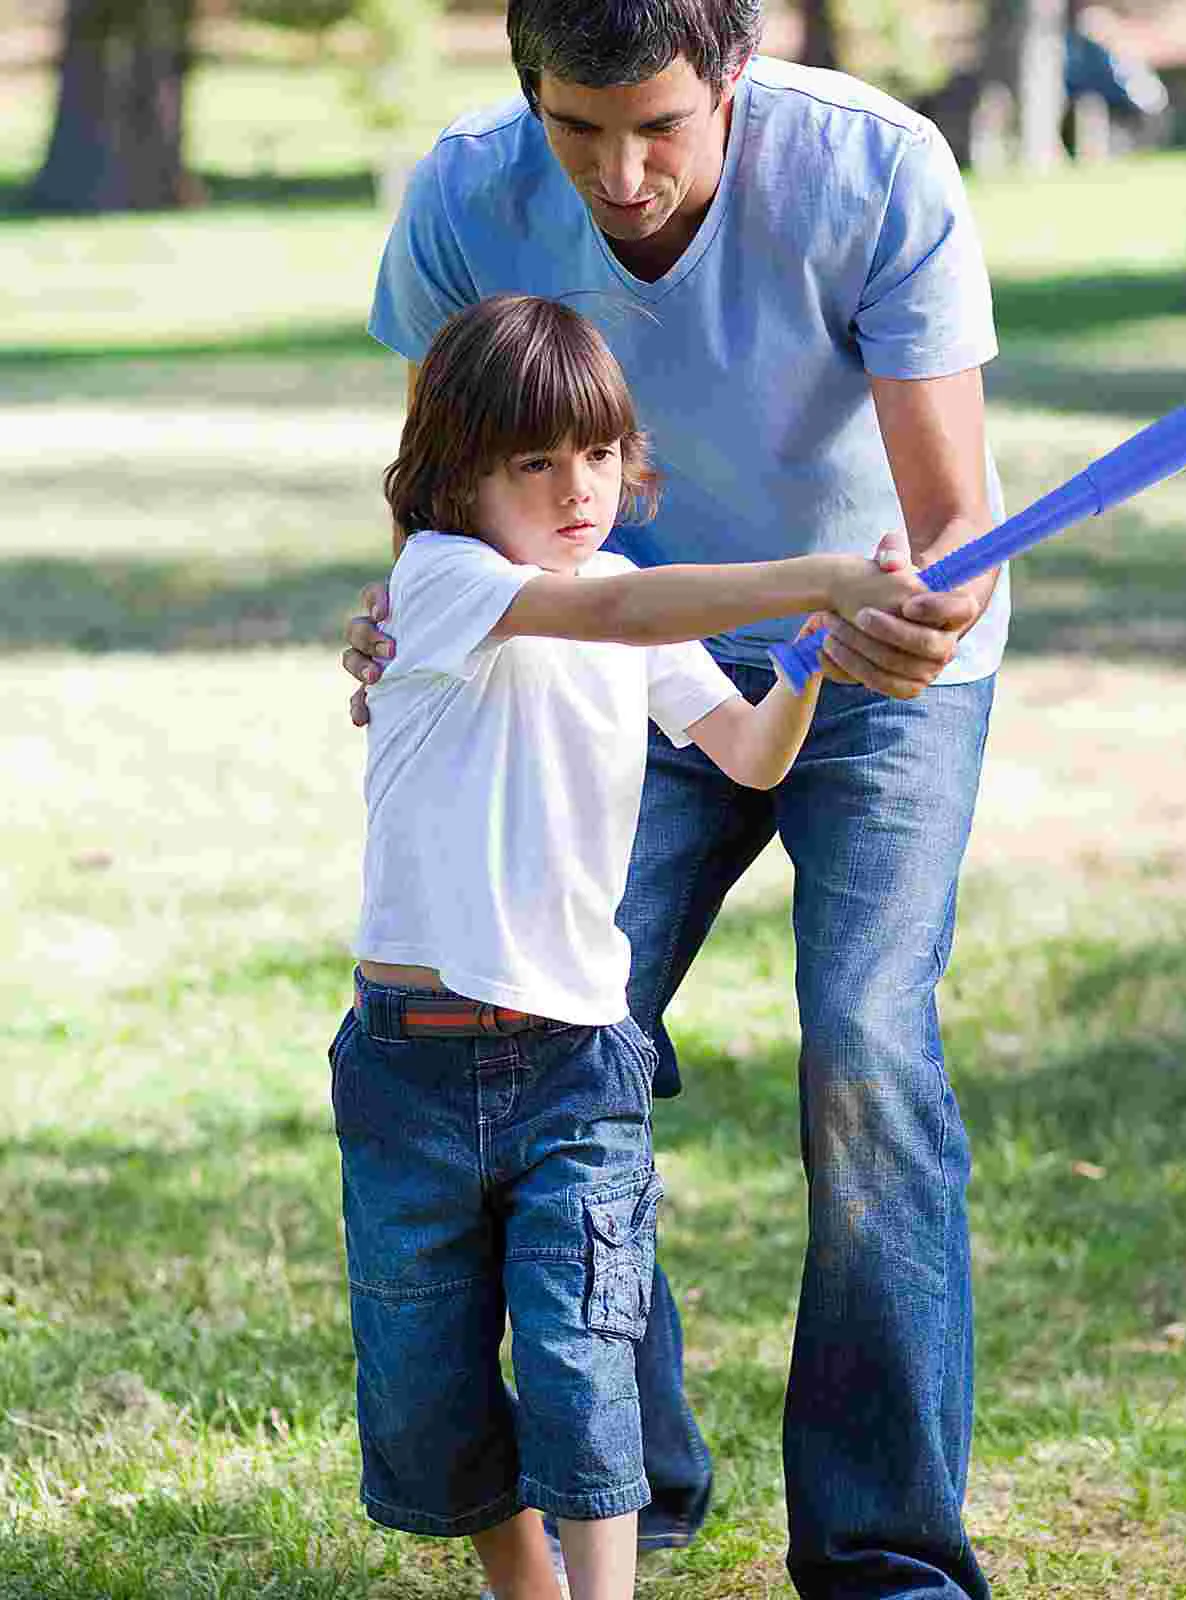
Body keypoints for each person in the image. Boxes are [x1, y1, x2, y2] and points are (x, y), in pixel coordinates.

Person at [342, 3, 1009, 1594]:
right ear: (528, 98)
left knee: (863, 1047)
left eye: (658, 127)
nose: (620, 175)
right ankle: (629, 1486)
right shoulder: (464, 197)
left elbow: (952, 523)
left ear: (733, 80)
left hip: (864, 661)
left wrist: (886, 622)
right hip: (594, 642)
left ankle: (885, 1554)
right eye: (577, 131)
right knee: (561, 1021)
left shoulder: (876, 171)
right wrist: (411, 615)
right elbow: (448, 468)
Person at [332, 291, 921, 1600]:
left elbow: (749, 752)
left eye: (595, 454)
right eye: (533, 462)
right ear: (456, 477)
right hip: (410, 1075)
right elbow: (614, 619)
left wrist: (806, 660)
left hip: (575, 1069)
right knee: (429, 1389)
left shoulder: (619, 600)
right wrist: (819, 572)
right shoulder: (446, 584)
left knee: (582, 1355)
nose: (575, 488)